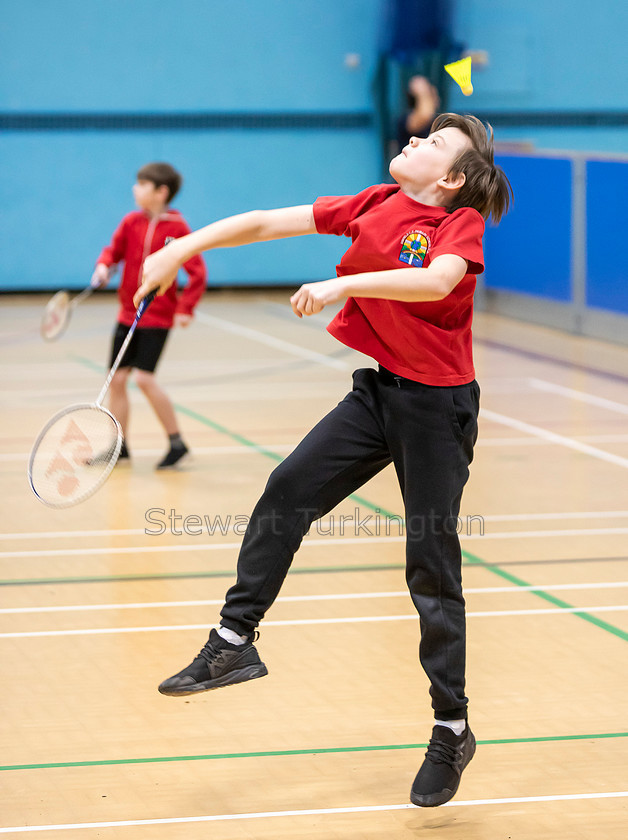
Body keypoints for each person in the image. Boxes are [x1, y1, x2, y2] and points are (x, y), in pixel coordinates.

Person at [134, 114, 512, 806]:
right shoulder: (374, 203)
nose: (417, 140)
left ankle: (451, 725)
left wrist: (345, 285)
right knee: (287, 491)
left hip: (437, 409)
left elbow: (436, 283)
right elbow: (262, 222)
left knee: (431, 563)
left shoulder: (458, 225)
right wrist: (180, 247)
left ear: (452, 179)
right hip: (380, 395)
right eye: (422, 134)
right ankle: (234, 640)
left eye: (434, 143)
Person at [92, 162, 207, 469]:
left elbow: (197, 272)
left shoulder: (178, 229)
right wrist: (104, 266)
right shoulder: (131, 222)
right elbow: (112, 252)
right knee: (116, 380)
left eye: (142, 185)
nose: (135, 189)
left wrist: (185, 308)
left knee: (143, 379)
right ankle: (120, 447)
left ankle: (176, 442)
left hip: (156, 316)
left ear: (161, 192)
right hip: (127, 313)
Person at [396, 75, 440, 152]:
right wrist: (423, 90)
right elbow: (425, 115)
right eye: (431, 93)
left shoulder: (437, 120)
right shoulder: (406, 119)